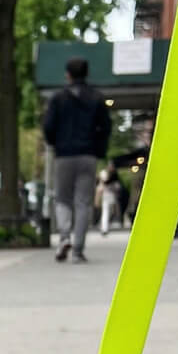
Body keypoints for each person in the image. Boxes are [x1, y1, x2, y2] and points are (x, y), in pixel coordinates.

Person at [43, 57, 111, 263]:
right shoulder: (96, 98)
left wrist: (56, 144)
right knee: (83, 203)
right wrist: (98, 149)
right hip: (87, 156)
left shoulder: (57, 98)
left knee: (62, 198)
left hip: (64, 155)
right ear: (86, 74)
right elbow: (106, 127)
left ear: (68, 74)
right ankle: (78, 250)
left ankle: (64, 236)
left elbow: (48, 127)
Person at [96, 162, 123, 235]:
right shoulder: (104, 173)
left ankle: (104, 226)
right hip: (106, 194)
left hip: (111, 194)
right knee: (106, 211)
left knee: (110, 211)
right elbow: (101, 185)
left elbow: (118, 186)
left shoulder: (114, 175)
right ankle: (104, 228)